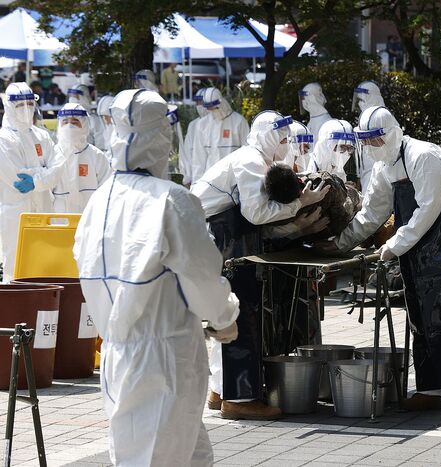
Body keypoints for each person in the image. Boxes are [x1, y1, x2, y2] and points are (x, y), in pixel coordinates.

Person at [73, 88, 240, 466]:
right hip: (167, 357)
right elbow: (201, 276)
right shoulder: (170, 200)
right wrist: (224, 317)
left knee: (183, 454)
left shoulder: (99, 200)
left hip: (118, 354)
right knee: (155, 457)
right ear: (162, 138)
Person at [316, 106, 441, 417]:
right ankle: (431, 389)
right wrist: (338, 245)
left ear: (391, 133)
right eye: (366, 143)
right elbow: (371, 215)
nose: (371, 148)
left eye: (375, 141)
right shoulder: (385, 169)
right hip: (422, 250)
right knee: (426, 318)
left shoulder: (423, 157)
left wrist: (394, 245)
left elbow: (428, 208)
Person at [191, 110, 329, 421]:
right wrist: (300, 204)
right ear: (267, 137)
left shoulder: (258, 160)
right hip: (222, 238)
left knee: (228, 312)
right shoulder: (250, 161)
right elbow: (256, 213)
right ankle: (239, 398)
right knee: (241, 312)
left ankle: (219, 390)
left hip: (224, 237)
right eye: (281, 138)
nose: (285, 144)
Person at [0, 83, 65, 282]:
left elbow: (58, 167)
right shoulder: (4, 139)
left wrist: (37, 180)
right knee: (15, 265)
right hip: (15, 212)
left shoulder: (41, 135)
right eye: (20, 104)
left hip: (44, 209)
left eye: (29, 103)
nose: (26, 108)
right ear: (9, 106)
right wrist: (44, 174)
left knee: (44, 264)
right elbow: (18, 179)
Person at [51, 103, 112, 213]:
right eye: (65, 122)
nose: (69, 127)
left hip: (89, 216)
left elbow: (107, 188)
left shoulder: (96, 156)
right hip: (59, 219)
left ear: (84, 125)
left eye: (75, 122)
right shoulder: (52, 155)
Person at [190, 88, 250, 183]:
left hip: (233, 180)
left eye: (215, 108)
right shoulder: (202, 125)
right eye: (209, 109)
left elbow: (248, 154)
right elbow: (198, 158)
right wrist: (196, 183)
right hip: (210, 181)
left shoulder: (239, 122)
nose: (212, 111)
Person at [352, 81, 387, 191]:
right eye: (359, 100)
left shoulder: (383, 119)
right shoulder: (364, 120)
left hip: (380, 178)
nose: (359, 104)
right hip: (366, 177)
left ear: (372, 98)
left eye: (362, 100)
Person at [180, 88, 207, 186]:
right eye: (197, 103)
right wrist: (187, 176)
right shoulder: (193, 125)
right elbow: (187, 152)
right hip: (196, 176)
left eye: (201, 102)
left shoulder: (221, 124)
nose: (199, 106)